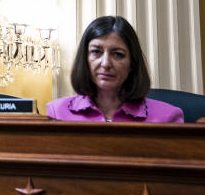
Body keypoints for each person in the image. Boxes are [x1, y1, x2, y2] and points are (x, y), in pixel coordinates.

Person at [46, 15, 184, 122]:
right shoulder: (56, 113)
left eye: (118, 54)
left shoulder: (168, 117)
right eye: (96, 52)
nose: (105, 63)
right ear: (85, 59)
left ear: (132, 63)